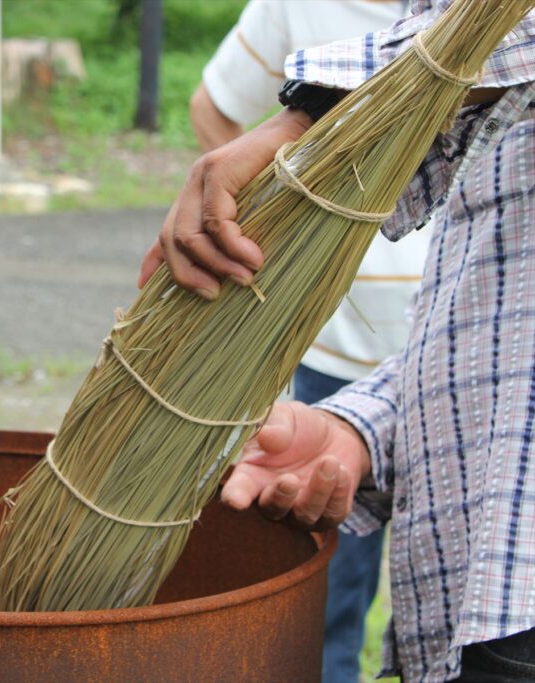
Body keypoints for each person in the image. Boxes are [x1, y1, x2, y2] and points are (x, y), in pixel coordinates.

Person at [142, 2, 535, 680]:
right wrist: (363, 429)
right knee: (329, 601)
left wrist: (309, 120)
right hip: (474, 580)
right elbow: (506, 321)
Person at [189, 2, 424, 681]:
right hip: (331, 367)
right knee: (327, 607)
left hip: (454, 364)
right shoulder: (296, 3)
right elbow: (217, 107)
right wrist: (280, 238)